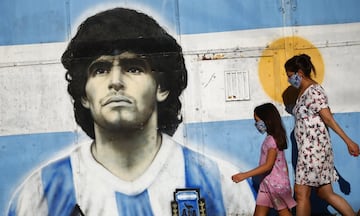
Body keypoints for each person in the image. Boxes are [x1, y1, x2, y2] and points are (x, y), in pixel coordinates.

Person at [6, 7, 256, 216]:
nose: (116, 81)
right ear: (84, 94)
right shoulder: (41, 193)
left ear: (162, 87)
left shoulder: (220, 183)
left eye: (134, 68)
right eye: (100, 70)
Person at [284, 54, 360, 216]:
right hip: (312, 151)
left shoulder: (314, 91)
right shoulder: (303, 92)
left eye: (290, 76)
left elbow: (328, 118)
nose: (289, 80)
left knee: (301, 193)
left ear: (300, 73)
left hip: (313, 151)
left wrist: (348, 141)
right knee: (325, 193)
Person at [231, 103, 296, 216]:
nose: (256, 124)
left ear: (267, 120)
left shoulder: (271, 141)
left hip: (275, 186)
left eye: (257, 120)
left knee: (283, 212)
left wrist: (244, 175)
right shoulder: (271, 139)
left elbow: (268, 166)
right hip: (266, 185)